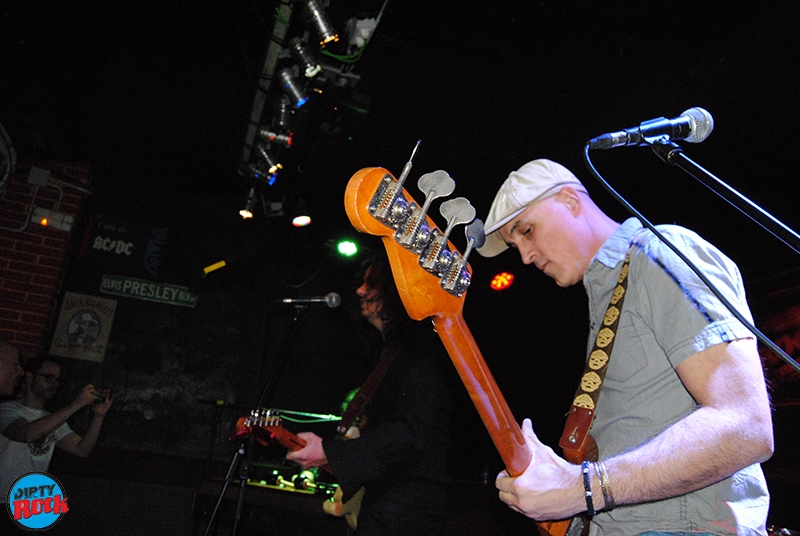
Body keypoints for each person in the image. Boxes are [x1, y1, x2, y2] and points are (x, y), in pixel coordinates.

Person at [477, 159, 773, 535]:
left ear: (570, 201)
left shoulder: (660, 254)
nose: (524, 256)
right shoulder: (606, 296)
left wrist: (584, 489)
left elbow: (745, 424)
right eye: (514, 244)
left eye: (527, 231)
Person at [286, 254, 453, 535]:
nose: (360, 291)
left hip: (405, 508)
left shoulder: (422, 349)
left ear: (396, 289)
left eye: (372, 283)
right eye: (362, 282)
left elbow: (409, 432)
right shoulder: (395, 350)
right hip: (389, 502)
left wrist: (331, 452)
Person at [0, 356, 114, 506]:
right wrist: (76, 404)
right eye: (48, 377)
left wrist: (98, 417)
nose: (54, 384)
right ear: (29, 377)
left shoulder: (52, 418)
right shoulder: (7, 410)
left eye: (58, 380)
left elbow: (81, 449)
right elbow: (27, 434)